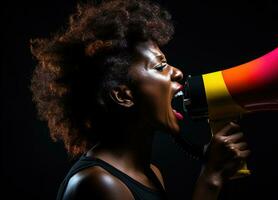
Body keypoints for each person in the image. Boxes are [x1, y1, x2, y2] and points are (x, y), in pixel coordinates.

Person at [30, 0, 250, 199]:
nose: (178, 73)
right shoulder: (100, 184)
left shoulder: (150, 173)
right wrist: (210, 179)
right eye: (160, 66)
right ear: (124, 95)